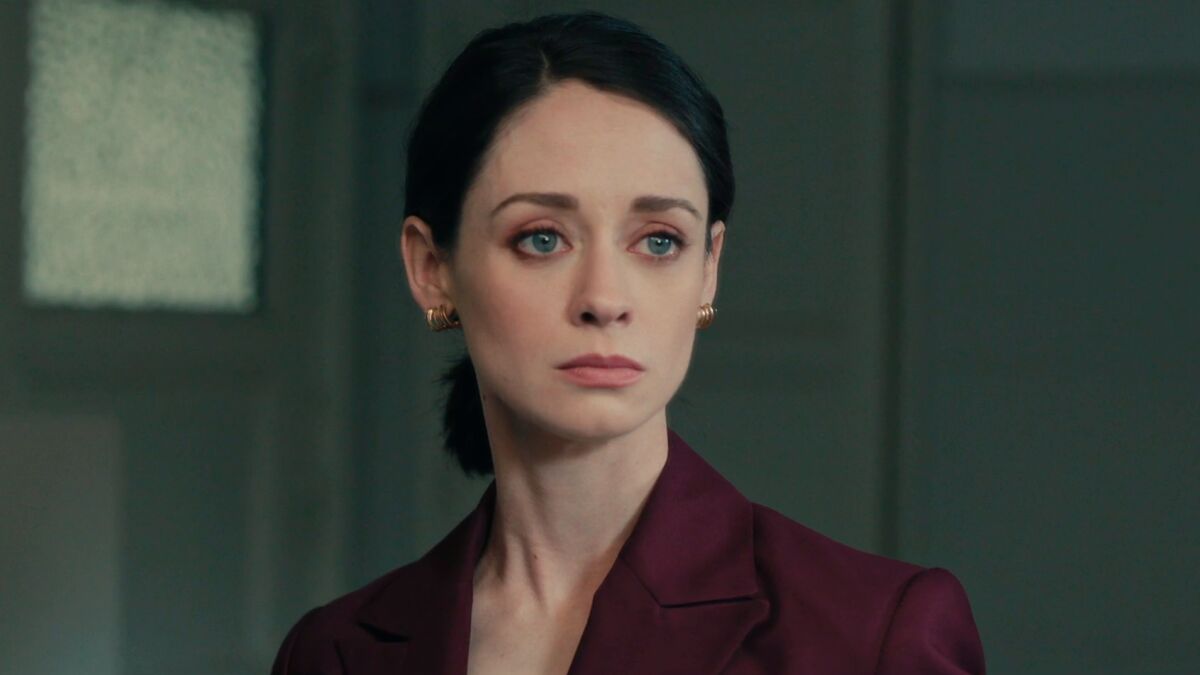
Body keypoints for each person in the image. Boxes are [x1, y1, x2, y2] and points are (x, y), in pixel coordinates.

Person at [270, 11, 985, 675]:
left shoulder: (874, 634)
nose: (604, 299)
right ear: (433, 268)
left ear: (709, 267)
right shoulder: (335, 653)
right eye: (542, 239)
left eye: (659, 241)